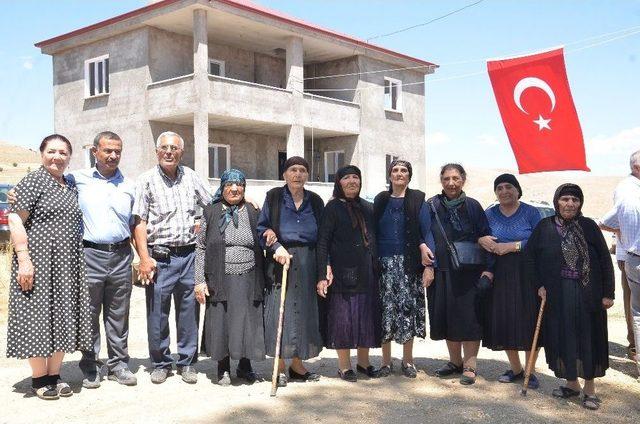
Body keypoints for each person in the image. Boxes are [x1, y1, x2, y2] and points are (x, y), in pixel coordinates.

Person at [6, 134, 92, 400]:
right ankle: (39, 378)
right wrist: (24, 259)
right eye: (52, 151)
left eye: (63, 153)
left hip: (66, 265)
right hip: (37, 263)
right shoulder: (32, 182)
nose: (57, 157)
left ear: (69, 157)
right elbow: (15, 220)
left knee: (62, 316)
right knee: (37, 317)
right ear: (42, 153)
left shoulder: (69, 184)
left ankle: (55, 375)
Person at [524, 183, 614, 410]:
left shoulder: (589, 226)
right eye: (565, 199)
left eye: (575, 200)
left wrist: (608, 293)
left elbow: (604, 259)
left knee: (588, 337)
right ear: (557, 202)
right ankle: (572, 384)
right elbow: (530, 259)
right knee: (563, 336)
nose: (570, 204)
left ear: (580, 203)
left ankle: (589, 389)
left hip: (588, 293)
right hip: (557, 293)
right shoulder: (545, 227)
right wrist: (539, 285)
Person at [132, 131, 213, 384]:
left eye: (174, 148)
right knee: (157, 312)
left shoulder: (191, 177)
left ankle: (187, 362)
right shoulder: (146, 180)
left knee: (189, 312)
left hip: (189, 255)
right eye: (164, 148)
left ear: (181, 152)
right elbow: (139, 222)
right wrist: (144, 258)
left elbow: (212, 204)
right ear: (157, 152)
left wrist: (247, 200)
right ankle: (161, 362)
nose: (169, 152)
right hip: (160, 258)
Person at [194, 169, 266, 386]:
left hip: (250, 276)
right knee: (222, 322)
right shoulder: (210, 211)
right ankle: (223, 367)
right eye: (229, 185)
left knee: (246, 321)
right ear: (222, 187)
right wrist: (199, 280)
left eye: (239, 185)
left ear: (244, 188)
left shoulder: (254, 211)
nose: (234, 189)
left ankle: (245, 365)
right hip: (219, 277)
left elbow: (265, 237)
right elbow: (200, 247)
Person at [257, 156, 324, 387]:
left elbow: (323, 236)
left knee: (304, 313)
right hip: (280, 260)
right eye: (293, 170)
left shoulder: (315, 200)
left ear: (307, 175)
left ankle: (297, 365)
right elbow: (262, 227)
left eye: (302, 170)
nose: (297, 174)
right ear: (284, 174)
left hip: (308, 261)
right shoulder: (274, 197)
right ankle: (280, 366)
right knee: (280, 312)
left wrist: (325, 267)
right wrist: (275, 245)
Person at [427, 163, 492, 385]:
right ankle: (454, 362)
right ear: (441, 180)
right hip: (441, 271)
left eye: (455, 178)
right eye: (446, 179)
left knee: (470, 318)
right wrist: (427, 266)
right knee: (447, 317)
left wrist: (487, 270)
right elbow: (424, 235)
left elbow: (486, 238)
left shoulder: (473, 206)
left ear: (463, 180)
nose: (451, 183)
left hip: (469, 272)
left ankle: (470, 365)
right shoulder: (432, 205)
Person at [316, 165, 381, 382]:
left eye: (356, 177)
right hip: (342, 272)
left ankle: (364, 363)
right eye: (347, 178)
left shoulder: (368, 207)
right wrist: (323, 271)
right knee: (343, 320)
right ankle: (344, 366)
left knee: (366, 317)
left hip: (367, 271)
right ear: (339, 182)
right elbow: (323, 241)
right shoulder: (332, 208)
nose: (352, 181)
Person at [373, 159, 435, 378]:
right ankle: (385, 362)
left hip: (409, 264)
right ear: (389, 175)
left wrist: (429, 265)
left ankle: (408, 361)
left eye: (404, 171)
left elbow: (427, 232)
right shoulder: (380, 199)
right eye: (395, 170)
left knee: (406, 311)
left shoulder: (418, 199)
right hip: (384, 264)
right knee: (385, 312)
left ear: (409, 176)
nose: (399, 174)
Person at [479, 174, 542, 389]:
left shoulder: (531, 212)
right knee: (505, 319)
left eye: (509, 186)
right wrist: (481, 241)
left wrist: (512, 246)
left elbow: (540, 240)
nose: (504, 191)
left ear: (517, 189)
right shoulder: (489, 214)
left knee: (528, 319)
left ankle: (530, 372)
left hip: (527, 272)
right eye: (499, 188)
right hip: (499, 272)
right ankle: (516, 369)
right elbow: (480, 236)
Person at [599, 150, 640, 367]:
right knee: (635, 304)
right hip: (632, 253)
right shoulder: (627, 190)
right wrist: (618, 230)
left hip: (631, 251)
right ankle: (634, 347)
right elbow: (609, 219)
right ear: (637, 168)